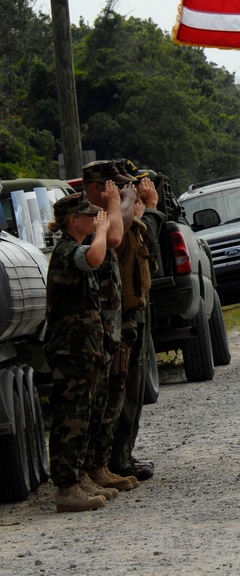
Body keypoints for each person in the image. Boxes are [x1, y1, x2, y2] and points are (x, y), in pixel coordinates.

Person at [44, 194, 113, 512]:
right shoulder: (68, 251)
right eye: (88, 216)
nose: (93, 218)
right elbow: (96, 257)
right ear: (73, 220)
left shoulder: (73, 249)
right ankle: (67, 488)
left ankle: (79, 477)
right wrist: (102, 230)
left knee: (84, 415)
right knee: (72, 417)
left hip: (82, 348)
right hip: (71, 350)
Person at [80, 161, 141, 494]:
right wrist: (120, 203)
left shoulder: (106, 213)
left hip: (110, 325)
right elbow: (116, 236)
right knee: (96, 402)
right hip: (95, 328)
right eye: (110, 186)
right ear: (95, 187)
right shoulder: (89, 216)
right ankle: (88, 471)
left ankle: (99, 466)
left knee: (111, 399)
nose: (116, 192)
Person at [110, 163, 159, 483]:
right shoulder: (118, 224)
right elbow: (147, 236)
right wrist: (150, 208)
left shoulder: (126, 222)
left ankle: (123, 453)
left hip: (136, 311)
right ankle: (118, 458)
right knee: (125, 392)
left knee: (134, 387)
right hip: (126, 318)